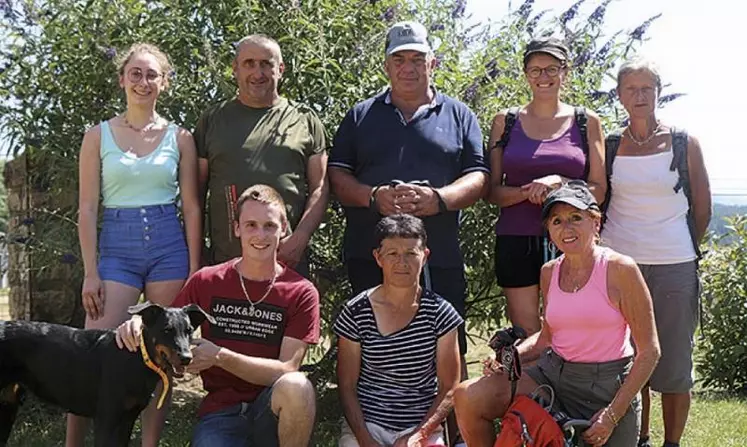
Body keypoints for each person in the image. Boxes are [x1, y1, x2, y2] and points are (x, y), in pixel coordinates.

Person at [328, 21, 489, 368]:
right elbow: (337, 176)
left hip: (438, 255)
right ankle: (367, 419)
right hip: (370, 254)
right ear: (387, 66)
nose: (408, 67)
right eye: (399, 59)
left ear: (433, 64)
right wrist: (373, 197)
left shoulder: (460, 115)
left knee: (445, 349)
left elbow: (478, 176)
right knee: (370, 347)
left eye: (417, 58)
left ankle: (448, 419)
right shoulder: (360, 115)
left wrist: (440, 199)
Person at [454, 181, 661, 447]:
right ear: (549, 231)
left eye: (576, 218)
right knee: (468, 395)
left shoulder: (620, 269)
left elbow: (650, 351)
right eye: (557, 221)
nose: (567, 228)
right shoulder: (549, 271)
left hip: (607, 386)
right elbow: (547, 339)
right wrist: (509, 358)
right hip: (553, 374)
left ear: (595, 223)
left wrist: (611, 415)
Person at [116, 184, 320, 447]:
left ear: (283, 229)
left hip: (273, 409)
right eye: (251, 225)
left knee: (297, 385)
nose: (260, 234)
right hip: (220, 412)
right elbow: (167, 320)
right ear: (236, 229)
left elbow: (286, 370)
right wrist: (135, 323)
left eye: (269, 226)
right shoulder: (207, 280)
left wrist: (220, 357)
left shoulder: (301, 292)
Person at [70, 42, 201, 447]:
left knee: (161, 357)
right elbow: (88, 209)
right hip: (117, 247)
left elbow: (192, 207)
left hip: (168, 244)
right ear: (122, 79)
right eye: (136, 73)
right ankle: (74, 443)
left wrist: (195, 270)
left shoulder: (181, 137)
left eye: (152, 75)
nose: (144, 82)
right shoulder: (98, 136)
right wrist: (91, 272)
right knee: (92, 352)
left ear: (164, 82)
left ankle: (149, 444)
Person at [600, 58, 712, 447]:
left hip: (674, 265)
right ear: (619, 96)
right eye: (631, 88)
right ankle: (640, 437)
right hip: (618, 264)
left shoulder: (683, 143)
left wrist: (674, 245)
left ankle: (671, 443)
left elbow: (703, 209)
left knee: (675, 362)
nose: (640, 95)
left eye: (647, 88)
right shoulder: (609, 145)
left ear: (659, 93)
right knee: (628, 355)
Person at [486, 37, 606, 336]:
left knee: (572, 327)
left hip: (572, 238)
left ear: (565, 72)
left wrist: (561, 183)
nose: (544, 77)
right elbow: (491, 192)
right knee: (526, 333)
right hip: (517, 238)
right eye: (536, 70)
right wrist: (528, 192)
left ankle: (572, 384)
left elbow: (599, 190)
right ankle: (532, 385)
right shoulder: (506, 121)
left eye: (552, 69)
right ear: (526, 74)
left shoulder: (586, 121)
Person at [195, 34, 328, 274]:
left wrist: (301, 237)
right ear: (235, 69)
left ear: (281, 69)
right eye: (249, 64)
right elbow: (196, 192)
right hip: (224, 264)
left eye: (266, 64)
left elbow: (320, 186)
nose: (258, 73)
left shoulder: (304, 119)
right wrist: (196, 255)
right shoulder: (213, 120)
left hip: (287, 262)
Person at [334, 214, 462, 447]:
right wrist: (365, 439)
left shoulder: (441, 313)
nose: (401, 262)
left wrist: (418, 435)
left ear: (425, 256)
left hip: (422, 425)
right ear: (378, 257)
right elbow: (346, 385)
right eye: (392, 253)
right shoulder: (355, 312)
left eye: (411, 253)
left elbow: (449, 387)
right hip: (367, 425)